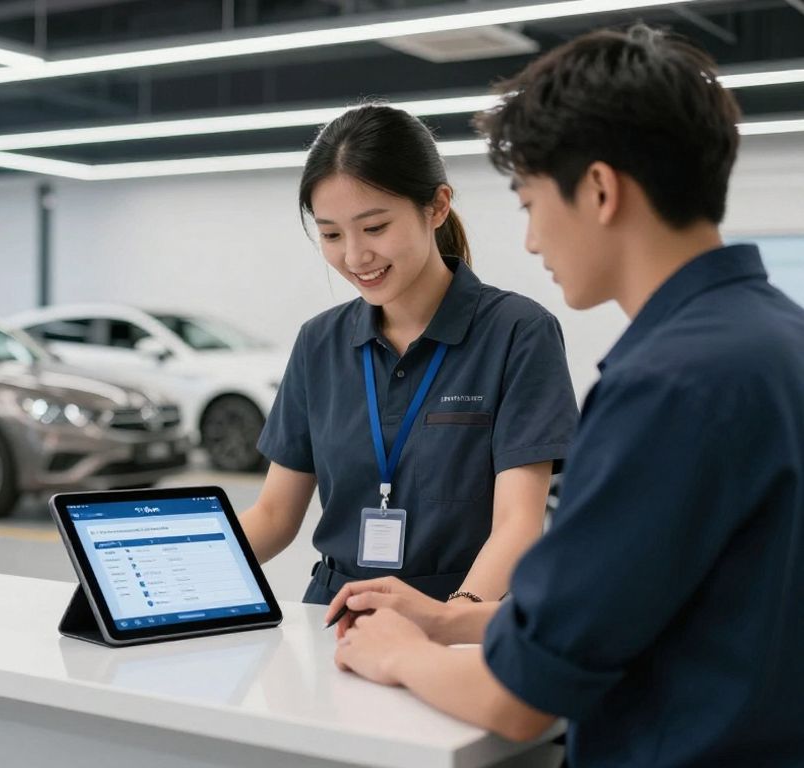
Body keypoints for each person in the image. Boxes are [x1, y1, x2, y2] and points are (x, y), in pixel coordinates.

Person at [328, 25, 804, 766]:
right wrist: (455, 621)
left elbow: (517, 701)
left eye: (528, 203)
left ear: (600, 190)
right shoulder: (777, 340)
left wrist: (400, 652)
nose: (530, 242)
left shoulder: (667, 386)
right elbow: (656, 600)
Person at [239, 104, 579, 609]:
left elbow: (517, 524)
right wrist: (161, 580)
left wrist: (446, 624)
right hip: (336, 616)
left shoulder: (518, 332)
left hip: (461, 613)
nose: (354, 257)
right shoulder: (319, 342)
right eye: (331, 234)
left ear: (437, 206)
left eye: (374, 228)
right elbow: (272, 517)